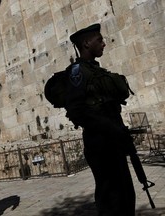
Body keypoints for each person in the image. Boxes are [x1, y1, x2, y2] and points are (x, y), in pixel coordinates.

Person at [65, 24, 136, 215]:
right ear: (87, 43)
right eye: (99, 40)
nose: (104, 43)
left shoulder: (95, 71)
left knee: (125, 195)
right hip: (100, 144)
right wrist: (109, 128)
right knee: (111, 199)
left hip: (113, 141)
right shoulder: (77, 73)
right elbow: (76, 110)